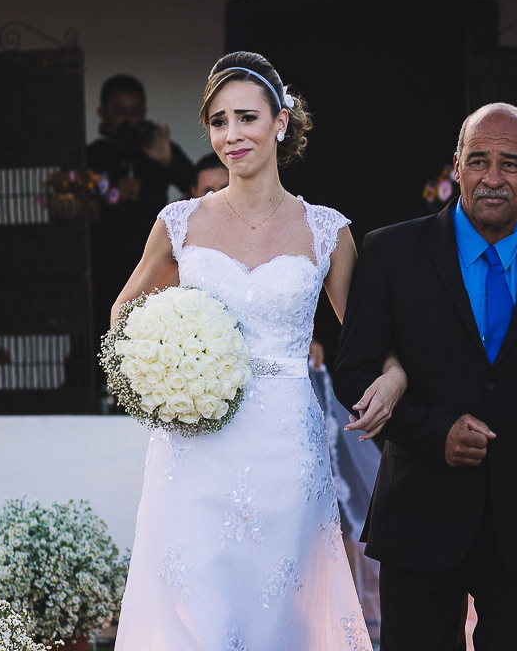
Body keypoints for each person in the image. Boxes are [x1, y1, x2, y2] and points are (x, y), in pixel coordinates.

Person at [111, 52, 405, 650]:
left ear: (280, 122)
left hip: (285, 448)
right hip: (193, 445)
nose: (232, 135)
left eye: (246, 117)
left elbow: (369, 331)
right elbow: (123, 314)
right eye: (218, 121)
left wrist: (395, 375)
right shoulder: (179, 222)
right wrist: (160, 376)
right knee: (201, 615)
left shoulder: (326, 230)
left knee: (278, 613)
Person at [334, 103, 517, 651]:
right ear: (457, 165)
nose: (492, 178)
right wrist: (432, 430)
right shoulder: (391, 251)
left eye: (510, 163)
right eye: (479, 160)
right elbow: (354, 373)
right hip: (418, 512)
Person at [87, 75, 196, 336]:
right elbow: (73, 210)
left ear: (145, 112)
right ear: (103, 113)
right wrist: (111, 196)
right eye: (120, 112)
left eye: (135, 112)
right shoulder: (93, 156)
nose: (128, 120)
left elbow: (199, 186)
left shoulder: (157, 148)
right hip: (102, 267)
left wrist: (168, 160)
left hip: (153, 266)